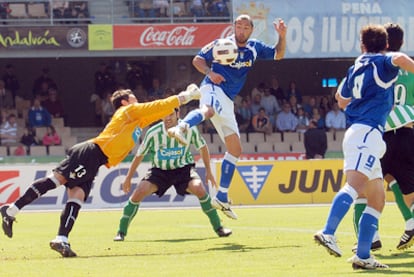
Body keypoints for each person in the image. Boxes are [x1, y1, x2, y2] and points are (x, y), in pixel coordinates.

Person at [0, 84, 201, 257]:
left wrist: (179, 103)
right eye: (133, 98)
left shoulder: (136, 121)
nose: (137, 101)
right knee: (55, 181)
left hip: (96, 160)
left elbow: (159, 111)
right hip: (90, 152)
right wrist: (185, 96)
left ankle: (61, 238)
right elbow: (155, 106)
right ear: (124, 102)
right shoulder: (126, 112)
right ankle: (11, 210)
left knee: (76, 198)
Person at [313, 24, 414, 270]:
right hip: (367, 133)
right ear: (386, 44)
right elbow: (400, 58)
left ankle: (364, 255)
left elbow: (341, 99)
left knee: (377, 198)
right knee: (354, 186)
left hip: (363, 132)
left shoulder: (355, 66)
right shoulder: (383, 61)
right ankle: (328, 232)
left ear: (362, 45)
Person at [167, 14, 287, 219]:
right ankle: (182, 126)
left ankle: (222, 196)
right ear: (234, 27)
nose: (241, 30)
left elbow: (278, 54)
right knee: (208, 110)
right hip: (213, 87)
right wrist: (209, 72)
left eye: (245, 27)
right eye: (238, 26)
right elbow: (197, 59)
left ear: (251, 29)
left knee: (235, 149)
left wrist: (282, 36)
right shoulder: (221, 44)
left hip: (228, 100)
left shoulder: (255, 47)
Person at [113, 108, 231, 241]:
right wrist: (128, 178)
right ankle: (121, 232)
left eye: (171, 114)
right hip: (160, 171)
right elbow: (139, 155)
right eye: (164, 114)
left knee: (199, 189)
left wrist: (209, 171)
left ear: (178, 114)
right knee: (140, 191)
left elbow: (203, 147)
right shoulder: (153, 132)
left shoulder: (189, 129)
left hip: (183, 170)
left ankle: (219, 228)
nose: (167, 118)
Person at [352, 23, 414, 252]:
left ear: (385, 42)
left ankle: (370, 238)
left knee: (363, 186)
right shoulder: (408, 65)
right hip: (408, 131)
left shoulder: (379, 64)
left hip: (382, 132)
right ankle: (410, 223)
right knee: (401, 183)